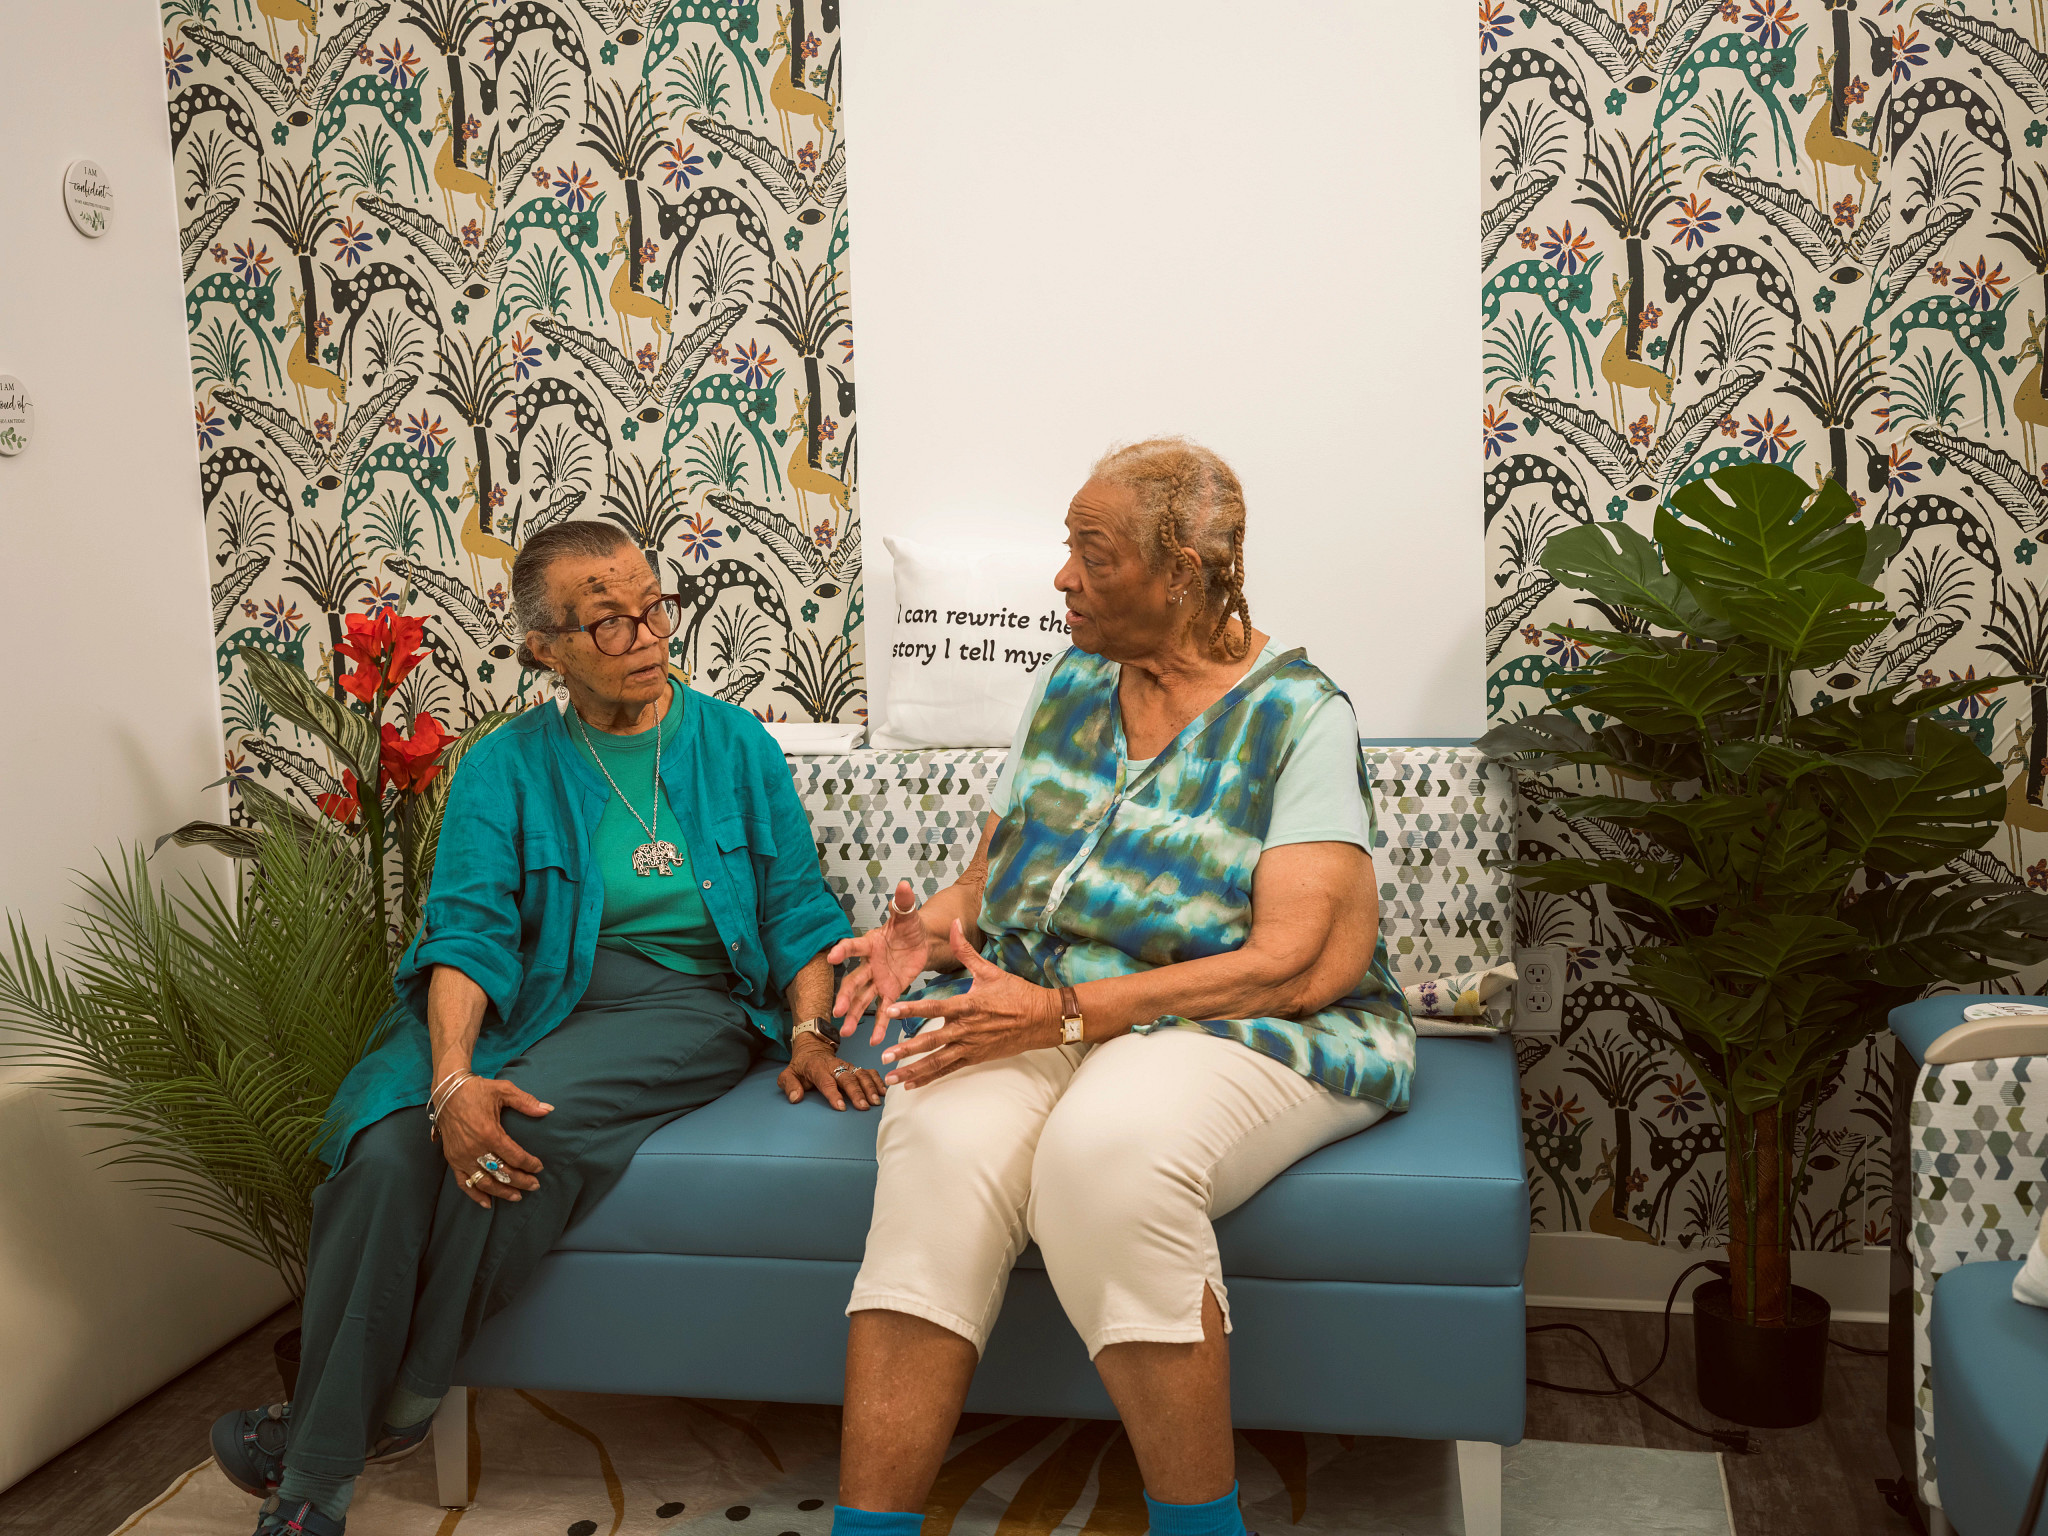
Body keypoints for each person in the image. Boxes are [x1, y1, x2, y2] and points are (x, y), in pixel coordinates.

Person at [208, 521, 881, 1536]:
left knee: (526, 1125)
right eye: (606, 622)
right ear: (543, 648)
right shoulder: (503, 766)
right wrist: (445, 1080)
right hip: (520, 991)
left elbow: (795, 909)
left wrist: (810, 1034)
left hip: (682, 1000)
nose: (646, 635)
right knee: (390, 1149)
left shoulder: (733, 746)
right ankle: (336, 1456)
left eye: (653, 607)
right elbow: (470, 932)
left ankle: (327, 1462)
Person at [823, 438, 1412, 1536]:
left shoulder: (1297, 716)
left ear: (1180, 571)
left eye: (1089, 553)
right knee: (935, 1140)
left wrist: (1065, 1015)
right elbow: (993, 882)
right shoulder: (1066, 684)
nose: (1061, 578)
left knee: (1105, 1157)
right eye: (1066, 548)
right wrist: (933, 931)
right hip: (1057, 1000)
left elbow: (1291, 961)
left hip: (1241, 1022)